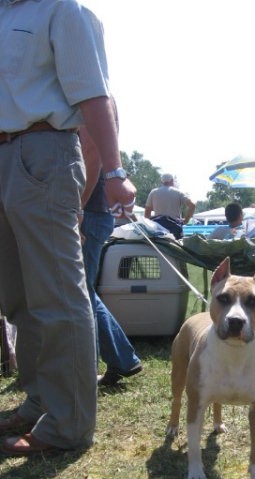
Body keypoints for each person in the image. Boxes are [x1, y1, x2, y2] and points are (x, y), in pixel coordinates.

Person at [0, 0, 136, 455]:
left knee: (58, 295)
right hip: (6, 155)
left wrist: (114, 173)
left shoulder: (63, 10)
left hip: (43, 149)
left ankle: (68, 424)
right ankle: (41, 400)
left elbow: (94, 96)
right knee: (18, 296)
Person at [79, 121, 142, 387]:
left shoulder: (83, 97)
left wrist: (76, 210)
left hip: (88, 214)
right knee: (85, 291)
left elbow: (90, 153)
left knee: (80, 293)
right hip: (95, 214)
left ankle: (84, 372)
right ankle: (122, 359)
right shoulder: (97, 101)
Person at [145, 173, 195, 239]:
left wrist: (148, 226)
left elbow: (147, 212)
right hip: (174, 227)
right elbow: (192, 206)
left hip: (158, 228)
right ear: (171, 181)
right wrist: (186, 220)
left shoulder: (153, 192)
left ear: (161, 182)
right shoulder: (178, 192)